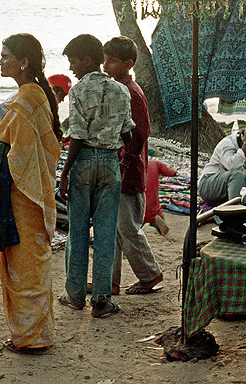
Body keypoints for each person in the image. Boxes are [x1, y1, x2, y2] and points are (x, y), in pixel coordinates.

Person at [0, 34, 62, 351]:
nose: (0, 61)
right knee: (31, 264)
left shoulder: (27, 98)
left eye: (5, 56)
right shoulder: (33, 95)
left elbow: (21, 155)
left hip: (24, 197)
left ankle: (31, 338)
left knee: (26, 267)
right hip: (28, 194)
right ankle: (34, 334)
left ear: (23, 62)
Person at [58, 34, 134, 319]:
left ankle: (75, 295)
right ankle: (101, 300)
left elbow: (76, 136)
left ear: (87, 60)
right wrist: (117, 146)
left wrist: (65, 173)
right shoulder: (120, 90)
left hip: (84, 161)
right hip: (110, 163)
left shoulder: (78, 90)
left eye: (73, 62)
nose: (72, 68)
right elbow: (128, 132)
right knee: (105, 234)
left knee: (77, 232)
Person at [103, 37, 163, 296]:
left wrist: (125, 160)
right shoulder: (122, 88)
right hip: (122, 168)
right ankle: (111, 282)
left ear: (127, 64)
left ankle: (150, 275)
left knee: (127, 230)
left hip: (128, 171)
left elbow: (140, 132)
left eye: (112, 60)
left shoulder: (131, 91)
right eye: (105, 59)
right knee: (115, 230)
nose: (106, 65)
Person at [198, 127, 246, 206]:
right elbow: (233, 166)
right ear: (242, 142)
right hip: (208, 187)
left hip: (226, 193)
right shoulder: (227, 143)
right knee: (237, 175)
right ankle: (234, 212)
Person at [145, 159, 177, 236]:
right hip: (152, 203)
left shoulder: (134, 164)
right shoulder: (155, 163)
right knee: (155, 213)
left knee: (136, 218)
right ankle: (157, 223)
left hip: (138, 199)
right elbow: (170, 172)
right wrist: (174, 171)